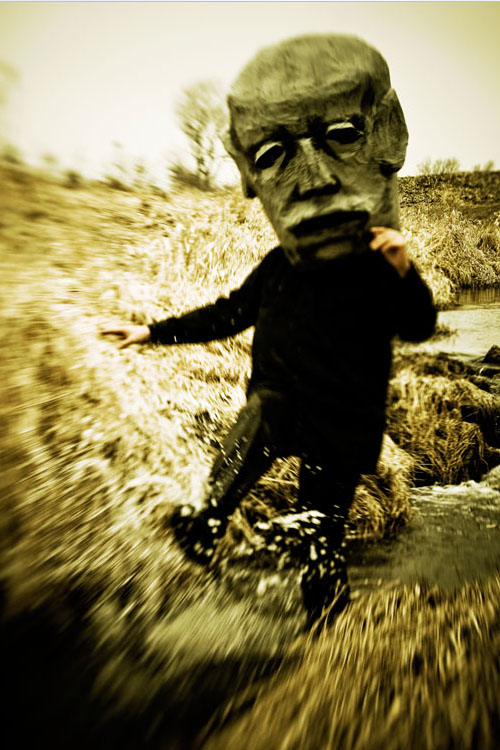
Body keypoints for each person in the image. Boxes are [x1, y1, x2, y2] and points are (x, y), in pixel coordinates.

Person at [102, 34, 437, 627]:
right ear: (248, 173)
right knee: (266, 410)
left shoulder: (375, 270)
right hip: (281, 403)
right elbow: (226, 313)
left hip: (341, 424)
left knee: (321, 539)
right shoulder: (279, 269)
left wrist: (403, 269)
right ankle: (209, 518)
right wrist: (149, 334)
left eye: (342, 135)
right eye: (272, 154)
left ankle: (328, 625)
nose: (313, 180)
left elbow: (418, 326)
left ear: (388, 138)